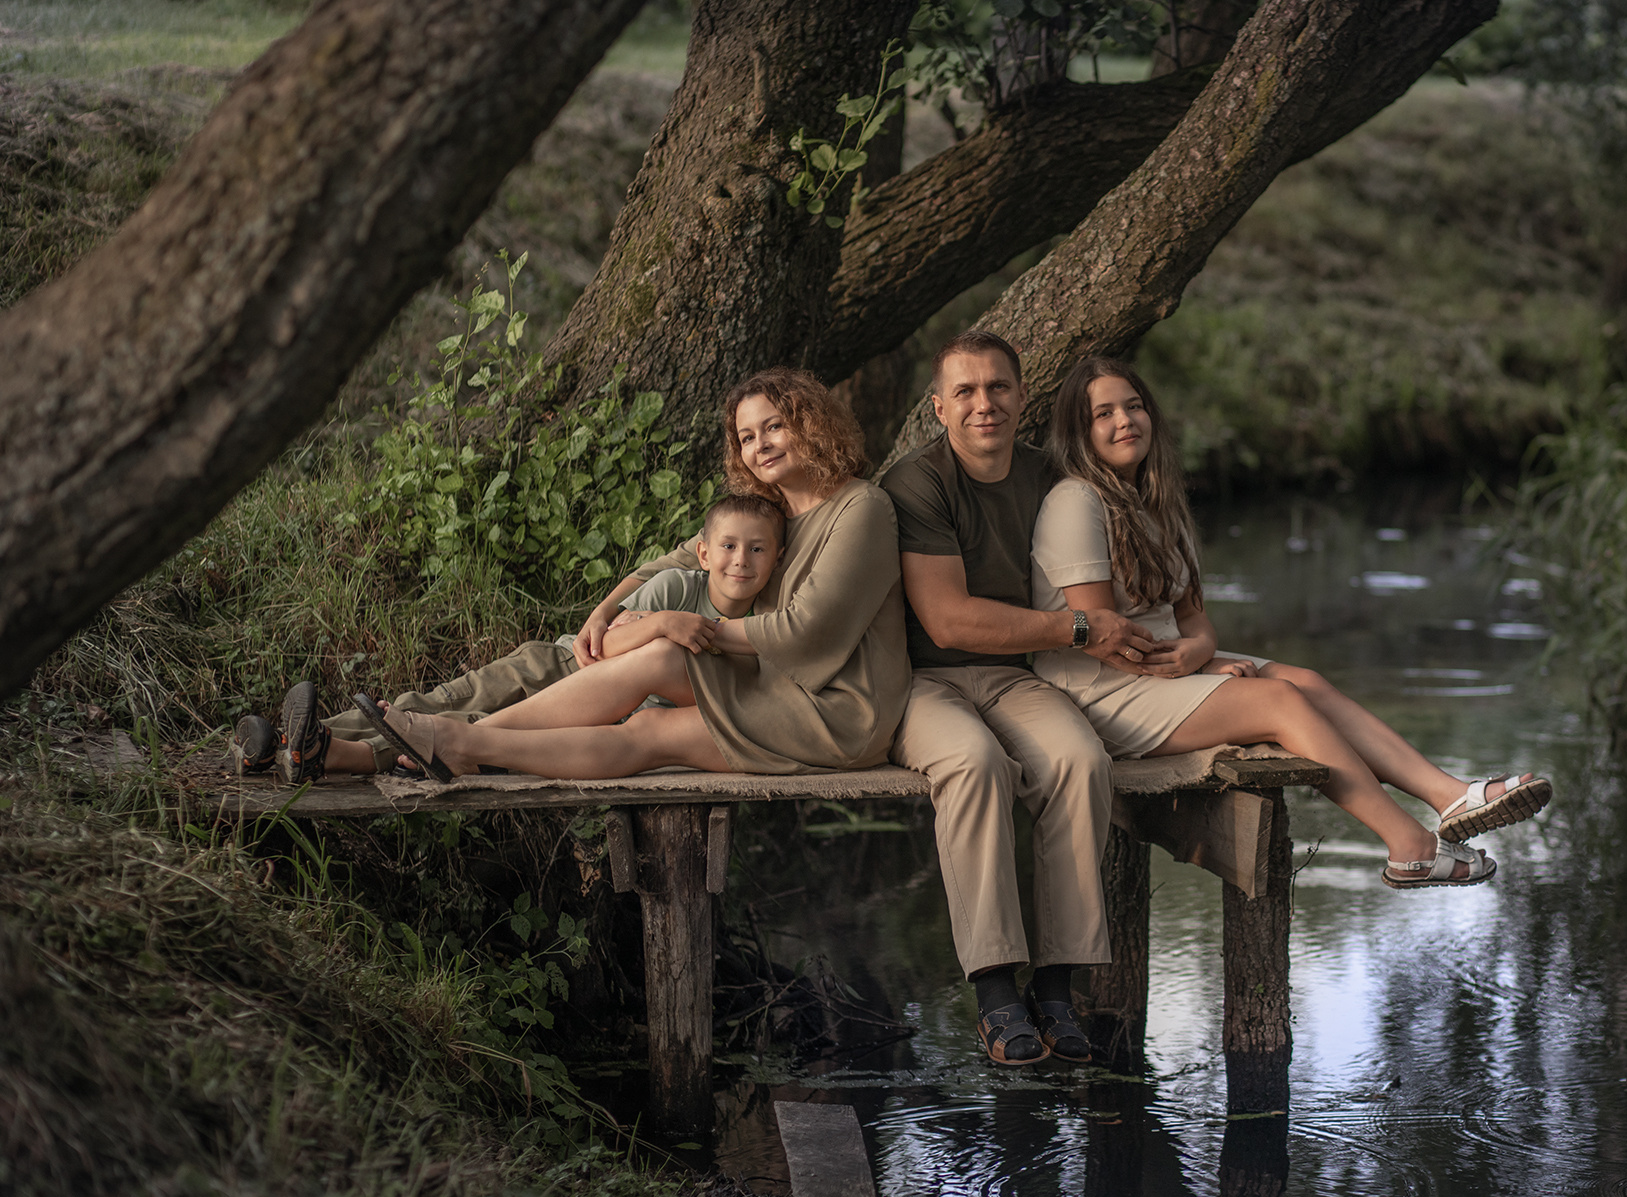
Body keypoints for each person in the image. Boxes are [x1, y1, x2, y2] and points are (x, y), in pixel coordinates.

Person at [1031, 355, 1551, 887]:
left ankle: (1449, 796)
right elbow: (1105, 640)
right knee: (1281, 702)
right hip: (1101, 691)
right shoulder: (1076, 502)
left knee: (1306, 683)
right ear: (1080, 433)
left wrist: (1201, 653)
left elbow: (1194, 619)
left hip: (1164, 668)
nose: (1125, 420)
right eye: (1104, 413)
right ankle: (1410, 846)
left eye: (1134, 405)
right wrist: (1200, 671)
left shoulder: (1157, 500)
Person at [352, 367, 909, 781]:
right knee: (660, 660)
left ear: (810, 424)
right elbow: (678, 558)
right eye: (746, 437)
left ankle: (460, 742)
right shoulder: (772, 512)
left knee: (649, 731)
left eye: (774, 427)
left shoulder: (861, 509)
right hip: (770, 687)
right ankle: (455, 742)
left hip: (837, 714)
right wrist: (607, 610)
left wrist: (684, 629)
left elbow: (807, 630)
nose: (759, 445)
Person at [879, 331, 1157, 1069]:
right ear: (939, 407)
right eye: (965, 392)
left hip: (1014, 674)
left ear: (1021, 397)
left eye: (997, 387)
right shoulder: (919, 483)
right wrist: (1075, 626)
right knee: (973, 763)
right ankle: (997, 991)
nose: (983, 404)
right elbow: (947, 619)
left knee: (1078, 757)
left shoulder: (1050, 476)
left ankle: (1058, 985)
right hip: (920, 679)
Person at [243, 492, 787, 782]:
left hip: (595, 701)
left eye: (757, 550)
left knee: (462, 726)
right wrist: (662, 622)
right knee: (447, 699)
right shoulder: (675, 584)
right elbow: (600, 648)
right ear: (704, 551)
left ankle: (326, 753)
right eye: (730, 547)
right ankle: (292, 742)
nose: (741, 560)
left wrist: (647, 631)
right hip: (560, 662)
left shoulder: (766, 623)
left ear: (777, 557)